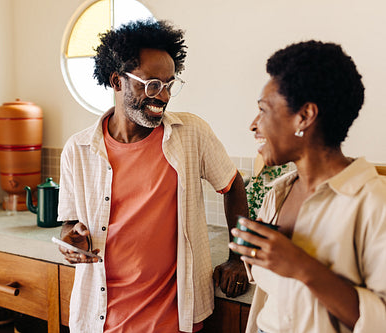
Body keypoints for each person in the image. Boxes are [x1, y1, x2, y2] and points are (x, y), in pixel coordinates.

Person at [57, 19, 249, 332]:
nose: (162, 96)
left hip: (174, 319)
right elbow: (70, 223)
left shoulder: (190, 133)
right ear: (117, 82)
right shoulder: (77, 149)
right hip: (100, 318)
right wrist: (70, 240)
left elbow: (232, 183)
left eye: (169, 84)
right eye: (151, 85)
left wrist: (238, 256)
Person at [228, 40, 386, 332]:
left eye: (263, 110)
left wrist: (303, 267)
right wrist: (253, 252)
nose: (254, 125)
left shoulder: (376, 204)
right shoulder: (276, 195)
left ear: (305, 116)